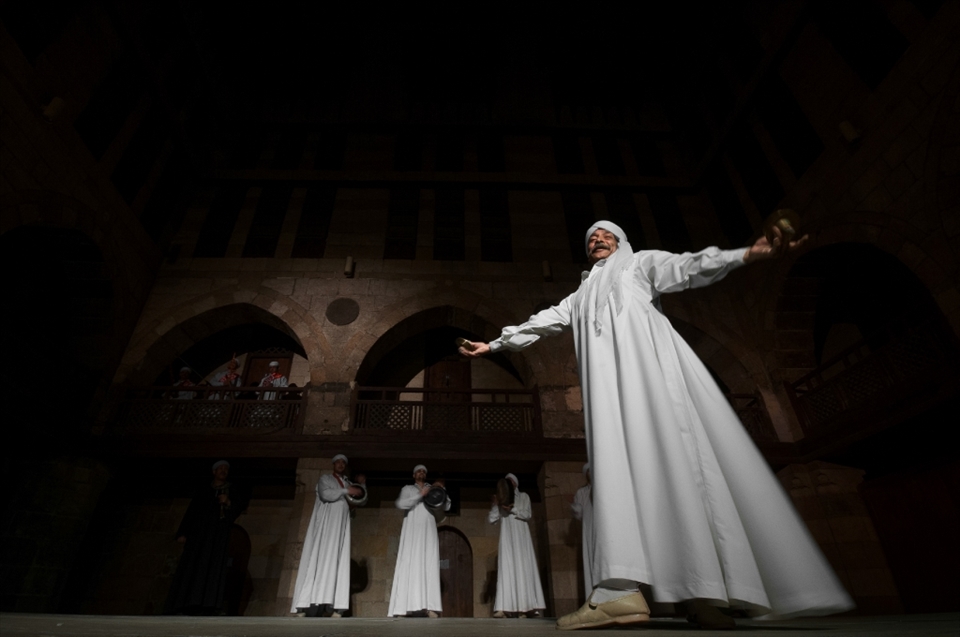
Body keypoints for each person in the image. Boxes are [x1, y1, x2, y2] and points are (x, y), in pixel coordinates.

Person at [460, 221, 853, 630]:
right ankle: (639, 592)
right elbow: (541, 322)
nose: (597, 239)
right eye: (591, 236)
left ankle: (697, 592)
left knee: (680, 469)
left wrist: (747, 254)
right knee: (626, 474)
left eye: (605, 234)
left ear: (622, 241)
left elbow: (687, 266)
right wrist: (495, 344)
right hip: (609, 397)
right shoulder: (579, 296)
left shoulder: (639, 265)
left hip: (650, 384)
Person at [165, 460, 248, 615]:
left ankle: (206, 604)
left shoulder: (231, 490)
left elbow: (238, 507)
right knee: (192, 566)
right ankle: (184, 602)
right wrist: (183, 533)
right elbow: (192, 511)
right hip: (198, 536)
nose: (223, 471)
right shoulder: (204, 490)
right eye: (220, 468)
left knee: (211, 567)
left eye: (226, 469)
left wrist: (228, 502)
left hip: (217, 537)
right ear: (214, 472)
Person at [291, 454, 366, 618]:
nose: (340, 465)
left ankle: (334, 606)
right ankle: (306, 605)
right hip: (326, 528)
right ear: (333, 464)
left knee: (336, 563)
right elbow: (326, 495)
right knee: (318, 560)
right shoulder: (325, 478)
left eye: (343, 463)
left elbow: (358, 501)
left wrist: (361, 486)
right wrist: (347, 490)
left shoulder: (347, 482)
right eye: (338, 462)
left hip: (340, 530)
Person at [388, 464, 450, 618]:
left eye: (423, 471)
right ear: (414, 475)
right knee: (409, 564)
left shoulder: (433, 488)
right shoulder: (408, 488)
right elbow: (401, 504)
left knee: (428, 564)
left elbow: (447, 505)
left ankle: (430, 607)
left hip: (428, 530)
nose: (421, 473)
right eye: (418, 471)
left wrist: (442, 490)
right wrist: (420, 494)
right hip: (412, 532)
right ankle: (403, 607)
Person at [489, 473, 546, 618]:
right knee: (506, 569)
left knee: (523, 569)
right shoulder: (502, 500)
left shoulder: (524, 496)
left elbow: (527, 514)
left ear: (515, 483)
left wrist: (512, 509)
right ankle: (503, 607)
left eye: (510, 481)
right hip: (507, 539)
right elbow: (492, 519)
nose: (508, 484)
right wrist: (496, 505)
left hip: (521, 538)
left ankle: (525, 608)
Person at [570, 463, 594, 597]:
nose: (591, 474)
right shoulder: (581, 492)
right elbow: (579, 514)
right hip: (589, 529)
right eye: (588, 472)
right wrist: (574, 508)